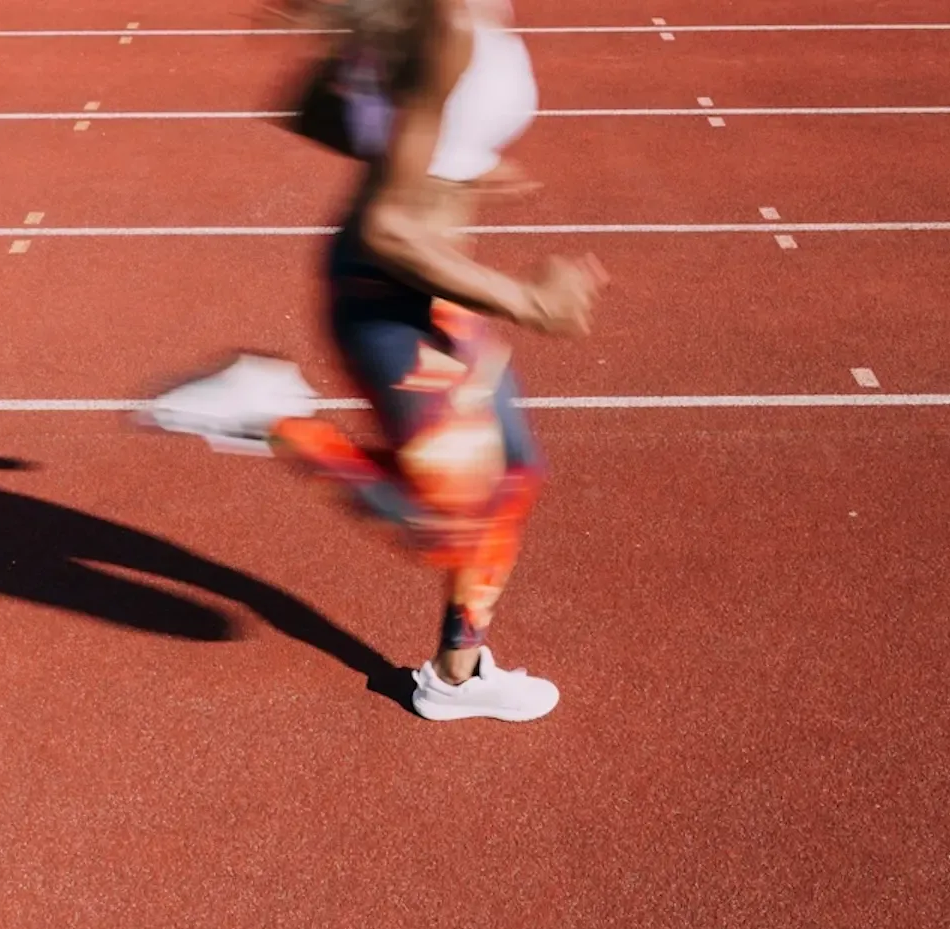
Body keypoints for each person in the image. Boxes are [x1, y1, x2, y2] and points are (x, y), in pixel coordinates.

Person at [141, 0, 606, 722]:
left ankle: (456, 675)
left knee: (513, 470)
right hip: (389, 297)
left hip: (433, 285)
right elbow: (391, 227)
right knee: (451, 524)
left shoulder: (428, 12)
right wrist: (527, 301)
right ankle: (272, 418)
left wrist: (457, 163)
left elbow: (313, 112)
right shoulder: (446, 22)